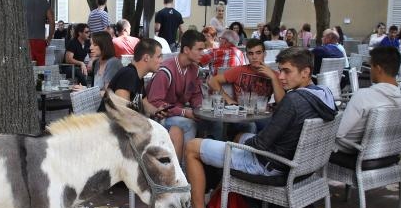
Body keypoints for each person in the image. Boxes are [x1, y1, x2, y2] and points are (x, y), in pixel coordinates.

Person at [174, 47, 338, 208]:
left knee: (192, 147)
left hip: (270, 166)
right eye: (280, 70)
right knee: (240, 135)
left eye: (287, 71)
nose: (281, 76)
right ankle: (220, 198)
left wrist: (234, 147)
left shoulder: (293, 102)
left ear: (306, 72)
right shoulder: (325, 95)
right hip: (299, 165)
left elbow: (261, 143)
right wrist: (240, 142)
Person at [335, 46, 401, 152]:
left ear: (378, 69)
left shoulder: (363, 97)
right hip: (387, 153)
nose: (370, 70)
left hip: (353, 153)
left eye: (371, 66)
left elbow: (338, 133)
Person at [147, 29, 205, 162]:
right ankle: (186, 170)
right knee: (189, 124)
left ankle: (213, 171)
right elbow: (155, 102)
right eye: (199, 49)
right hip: (159, 116)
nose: (203, 53)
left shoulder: (194, 69)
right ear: (186, 50)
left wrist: (199, 107)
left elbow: (195, 94)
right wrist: (184, 112)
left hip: (178, 113)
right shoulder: (165, 71)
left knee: (214, 124)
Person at [208, 38, 284, 106]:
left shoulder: (274, 75)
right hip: (242, 114)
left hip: (262, 115)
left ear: (264, 54)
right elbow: (212, 81)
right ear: (247, 56)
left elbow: (281, 103)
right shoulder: (239, 70)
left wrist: (273, 78)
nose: (254, 57)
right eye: (251, 53)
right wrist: (228, 99)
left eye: (258, 53)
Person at [106, 38, 164, 114]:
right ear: (146, 58)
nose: (161, 61)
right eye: (159, 57)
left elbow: (145, 104)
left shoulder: (138, 77)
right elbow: (122, 111)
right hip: (110, 123)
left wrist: (156, 111)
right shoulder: (128, 75)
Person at [23, 0, 55, 66]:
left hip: (24, 40)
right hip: (40, 41)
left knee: (26, 66)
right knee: (40, 68)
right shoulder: (45, 3)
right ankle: (40, 79)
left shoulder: (20, 2)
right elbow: (52, 22)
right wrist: (49, 38)